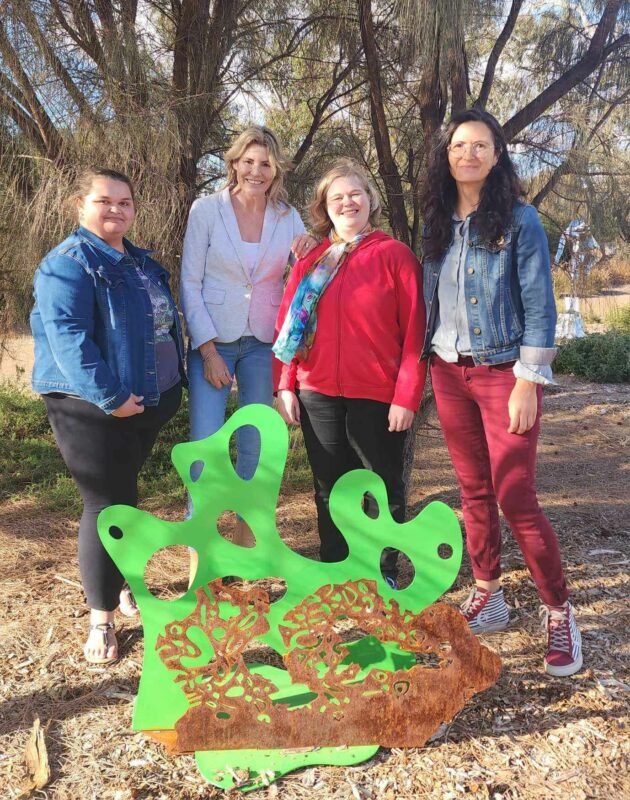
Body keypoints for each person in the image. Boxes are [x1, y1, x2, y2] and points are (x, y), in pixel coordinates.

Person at [421, 108, 582, 677]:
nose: (468, 154)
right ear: (448, 156)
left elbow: (541, 306)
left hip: (502, 372)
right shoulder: (436, 221)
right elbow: (431, 300)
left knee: (516, 495)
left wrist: (528, 382)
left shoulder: (519, 220)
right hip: (448, 371)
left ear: (496, 155)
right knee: (473, 491)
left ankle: (559, 610)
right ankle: (488, 590)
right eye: (459, 145)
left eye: (480, 145)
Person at [31, 168, 186, 664]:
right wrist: (112, 397)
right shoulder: (68, 263)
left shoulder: (137, 259)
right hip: (93, 408)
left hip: (141, 403)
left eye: (124, 202)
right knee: (104, 505)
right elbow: (69, 339)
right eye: (105, 201)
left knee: (125, 497)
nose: (116, 209)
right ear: (81, 205)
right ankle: (101, 617)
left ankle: (121, 585)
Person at [273, 161, 426, 587]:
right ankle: (336, 572)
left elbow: (415, 334)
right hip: (316, 391)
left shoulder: (395, 256)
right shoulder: (311, 259)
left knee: (381, 488)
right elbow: (290, 327)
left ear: (371, 200)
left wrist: (406, 396)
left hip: (377, 393)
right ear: (325, 206)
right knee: (328, 488)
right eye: (336, 197)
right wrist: (286, 384)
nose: (347, 202)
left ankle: (381, 574)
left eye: (354, 194)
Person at [181, 126, 316, 548]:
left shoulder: (287, 216)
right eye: (249, 161)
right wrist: (206, 350)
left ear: (276, 170)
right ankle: (199, 544)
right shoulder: (206, 210)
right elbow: (190, 282)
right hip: (214, 342)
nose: (256, 171)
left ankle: (244, 545)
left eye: (266, 163)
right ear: (234, 162)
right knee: (204, 446)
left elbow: (299, 275)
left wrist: (308, 247)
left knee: (255, 444)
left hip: (262, 342)